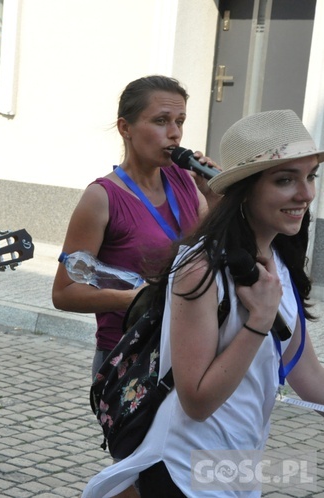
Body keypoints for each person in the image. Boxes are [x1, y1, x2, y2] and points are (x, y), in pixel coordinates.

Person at [83, 109, 324, 497]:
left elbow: (308, 377)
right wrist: (258, 320)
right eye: (285, 180)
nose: (306, 193)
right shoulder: (201, 267)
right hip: (183, 469)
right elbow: (196, 400)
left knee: (298, 473)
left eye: (310, 176)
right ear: (245, 188)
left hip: (234, 469)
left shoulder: (279, 261)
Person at [51, 75, 219, 380]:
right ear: (125, 128)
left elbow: (214, 251)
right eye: (161, 121)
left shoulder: (185, 180)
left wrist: (214, 195)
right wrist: (133, 299)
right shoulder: (101, 197)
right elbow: (64, 292)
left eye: (180, 121)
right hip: (128, 354)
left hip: (187, 347)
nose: (175, 133)